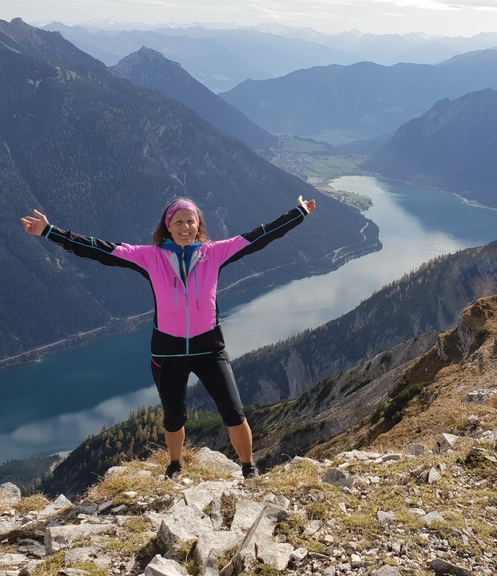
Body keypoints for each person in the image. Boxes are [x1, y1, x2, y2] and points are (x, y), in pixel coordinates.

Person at [21, 195, 317, 480]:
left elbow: (260, 236)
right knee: (174, 417)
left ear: (199, 225)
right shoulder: (150, 257)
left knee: (234, 413)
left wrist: (299, 214)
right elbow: (98, 249)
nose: (185, 227)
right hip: (168, 352)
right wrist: (49, 231)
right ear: (168, 226)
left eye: (191, 221)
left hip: (209, 349)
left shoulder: (215, 252)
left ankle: (249, 468)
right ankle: (175, 466)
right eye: (179, 222)